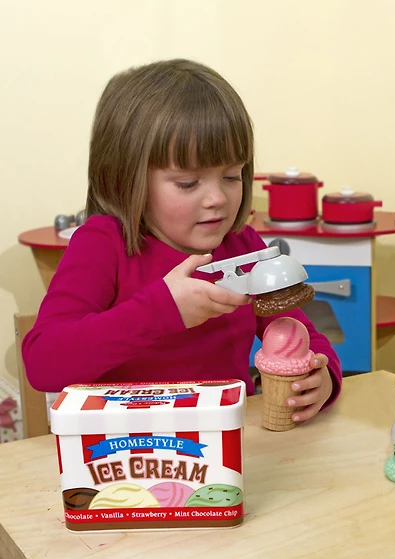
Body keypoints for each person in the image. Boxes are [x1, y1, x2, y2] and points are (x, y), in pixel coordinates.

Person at [23, 59, 341, 424]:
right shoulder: (102, 245)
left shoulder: (243, 248)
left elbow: (299, 332)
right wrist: (160, 311)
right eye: (188, 183)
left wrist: (324, 376)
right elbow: (43, 362)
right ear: (126, 178)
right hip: (122, 450)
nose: (217, 198)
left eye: (232, 176)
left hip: (224, 444)